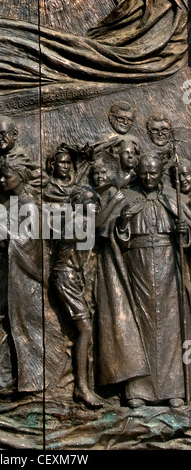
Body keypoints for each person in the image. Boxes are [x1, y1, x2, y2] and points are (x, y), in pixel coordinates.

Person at [115, 153, 191, 408]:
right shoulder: (128, 197)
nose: (148, 178)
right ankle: (138, 390)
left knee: (171, 327)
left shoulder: (172, 198)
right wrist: (124, 223)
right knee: (137, 324)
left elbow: (186, 238)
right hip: (138, 266)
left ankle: (174, 390)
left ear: (160, 174)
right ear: (138, 172)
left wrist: (184, 232)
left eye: (154, 173)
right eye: (144, 173)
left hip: (169, 265)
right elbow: (117, 240)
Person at [49, 185, 104, 408]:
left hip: (74, 278)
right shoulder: (75, 222)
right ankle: (81, 387)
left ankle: (83, 384)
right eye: (88, 201)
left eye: (95, 202)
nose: (94, 206)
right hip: (65, 278)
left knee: (85, 329)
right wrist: (116, 200)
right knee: (85, 329)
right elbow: (93, 228)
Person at [0, 160, 44, 394]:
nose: (1, 180)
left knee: (27, 325)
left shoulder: (28, 204)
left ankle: (33, 380)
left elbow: (31, 240)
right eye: (0, 177)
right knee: (15, 322)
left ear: (20, 177)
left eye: (6, 176)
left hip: (27, 274)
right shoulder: (12, 203)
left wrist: (7, 236)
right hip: (14, 270)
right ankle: (23, 378)